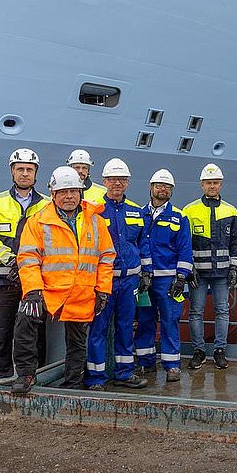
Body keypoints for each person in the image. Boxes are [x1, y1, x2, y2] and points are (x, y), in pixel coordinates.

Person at [13, 165, 115, 394]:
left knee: (78, 342)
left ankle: (73, 384)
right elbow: (28, 257)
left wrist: (103, 290)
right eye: (63, 192)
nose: (69, 196)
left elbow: (107, 257)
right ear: (53, 195)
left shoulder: (96, 222)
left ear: (81, 193)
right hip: (48, 291)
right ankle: (26, 374)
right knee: (25, 323)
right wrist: (32, 291)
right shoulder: (38, 221)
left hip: (82, 291)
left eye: (73, 192)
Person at [0, 148, 47, 386]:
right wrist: (12, 261)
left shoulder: (47, 205)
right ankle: (4, 376)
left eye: (29, 169)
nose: (25, 174)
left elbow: (50, 239)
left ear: (36, 173)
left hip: (35, 280)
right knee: (4, 330)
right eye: (20, 169)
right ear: (12, 171)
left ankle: (35, 373)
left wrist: (28, 265)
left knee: (35, 328)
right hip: (2, 278)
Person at [87, 158, 150, 389]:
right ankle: (96, 377)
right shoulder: (94, 212)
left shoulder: (136, 211)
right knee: (98, 329)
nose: (117, 183)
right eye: (113, 179)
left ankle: (124, 373)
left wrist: (146, 273)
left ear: (128, 182)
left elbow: (143, 244)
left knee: (125, 328)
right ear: (104, 181)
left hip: (129, 281)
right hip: (104, 281)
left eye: (121, 179)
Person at [183, 162, 237, 370]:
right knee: (196, 312)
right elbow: (184, 243)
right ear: (201, 185)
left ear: (221, 184)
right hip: (197, 273)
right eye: (208, 183)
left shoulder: (231, 211)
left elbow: (236, 242)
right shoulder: (189, 211)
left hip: (222, 273)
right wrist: (188, 268)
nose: (212, 186)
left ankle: (219, 351)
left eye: (215, 182)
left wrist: (234, 267)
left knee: (222, 311)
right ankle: (199, 351)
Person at [141, 168, 194, 383]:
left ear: (171, 191)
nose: (162, 189)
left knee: (170, 320)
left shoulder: (179, 216)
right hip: (144, 278)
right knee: (145, 320)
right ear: (151, 188)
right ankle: (145, 363)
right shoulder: (138, 214)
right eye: (159, 185)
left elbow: (185, 248)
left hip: (168, 280)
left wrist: (181, 277)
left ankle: (172, 365)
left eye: (167, 187)